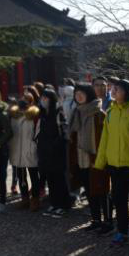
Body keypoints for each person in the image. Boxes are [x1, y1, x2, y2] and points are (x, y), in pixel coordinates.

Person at [94, 79, 129, 254]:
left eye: (117, 89)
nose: (113, 91)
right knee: (119, 201)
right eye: (113, 88)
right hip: (114, 165)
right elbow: (105, 139)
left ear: (126, 92)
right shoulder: (110, 112)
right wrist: (100, 161)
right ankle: (122, 232)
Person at [70, 83, 112, 233]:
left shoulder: (99, 114)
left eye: (82, 93)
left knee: (102, 191)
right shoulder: (77, 113)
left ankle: (108, 221)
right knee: (89, 191)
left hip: (97, 158)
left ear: (89, 94)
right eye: (76, 94)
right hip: (81, 159)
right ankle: (96, 219)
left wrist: (103, 158)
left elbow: (106, 138)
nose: (79, 96)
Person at [37, 88, 72, 217]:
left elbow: (64, 133)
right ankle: (54, 203)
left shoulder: (58, 112)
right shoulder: (42, 114)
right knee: (50, 179)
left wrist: (54, 146)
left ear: (52, 99)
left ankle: (64, 205)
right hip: (45, 153)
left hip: (57, 152)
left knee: (60, 180)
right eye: (42, 98)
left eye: (46, 98)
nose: (43, 100)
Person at [9, 87, 41, 211]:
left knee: (34, 176)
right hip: (17, 149)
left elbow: (38, 132)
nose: (24, 102)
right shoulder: (14, 115)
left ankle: (35, 199)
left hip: (30, 149)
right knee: (21, 176)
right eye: (23, 99)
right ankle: (24, 198)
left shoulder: (35, 115)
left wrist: (34, 144)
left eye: (27, 100)